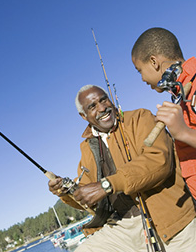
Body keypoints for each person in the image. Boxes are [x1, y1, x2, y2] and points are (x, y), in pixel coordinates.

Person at [48, 84, 196, 252]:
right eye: (92, 106)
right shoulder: (86, 148)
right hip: (123, 228)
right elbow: (89, 198)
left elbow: (158, 161)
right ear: (83, 116)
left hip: (171, 220)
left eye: (103, 99)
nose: (102, 107)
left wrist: (107, 184)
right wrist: (65, 192)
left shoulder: (140, 117)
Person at [131, 27, 196, 198]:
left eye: (140, 70)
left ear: (154, 62)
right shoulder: (180, 92)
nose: (142, 79)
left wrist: (183, 132)